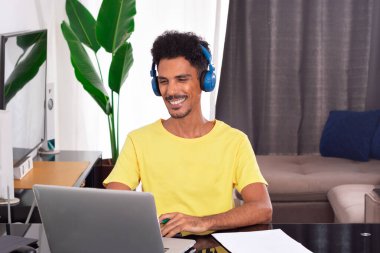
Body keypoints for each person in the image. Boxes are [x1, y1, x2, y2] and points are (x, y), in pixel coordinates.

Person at [104, 31, 272, 238]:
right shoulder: (138, 140)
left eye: (181, 79)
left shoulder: (235, 141)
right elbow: (112, 205)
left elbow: (262, 208)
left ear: (205, 81)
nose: (171, 91)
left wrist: (202, 222)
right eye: (164, 81)